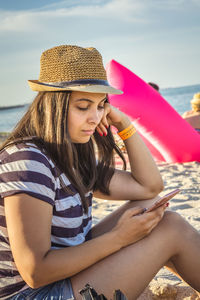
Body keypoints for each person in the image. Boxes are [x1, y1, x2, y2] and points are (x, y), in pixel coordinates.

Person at [0, 45, 199, 300]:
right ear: (52, 106)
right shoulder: (28, 160)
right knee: (171, 229)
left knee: (154, 210)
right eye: (83, 106)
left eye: (101, 105)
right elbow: (35, 272)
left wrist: (125, 124)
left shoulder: (70, 157)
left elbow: (149, 187)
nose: (95, 117)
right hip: (33, 294)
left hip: (65, 279)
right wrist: (119, 238)